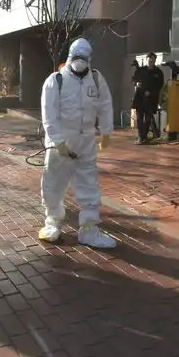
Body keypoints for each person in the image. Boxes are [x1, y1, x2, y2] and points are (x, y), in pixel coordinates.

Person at [39, 38, 118, 249]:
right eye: (77, 57)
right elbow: (49, 115)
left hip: (86, 143)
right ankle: (53, 223)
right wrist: (58, 141)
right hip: (61, 144)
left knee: (89, 185)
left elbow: (105, 104)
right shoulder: (55, 81)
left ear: (90, 59)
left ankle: (89, 229)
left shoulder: (96, 78)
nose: (80, 62)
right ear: (70, 57)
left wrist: (106, 131)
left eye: (84, 58)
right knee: (53, 185)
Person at [131, 51, 165, 144]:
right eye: (149, 60)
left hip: (151, 99)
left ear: (155, 61)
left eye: (152, 60)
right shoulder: (141, 70)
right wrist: (136, 83)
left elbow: (159, 85)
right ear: (146, 60)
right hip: (140, 98)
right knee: (139, 118)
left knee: (148, 118)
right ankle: (141, 137)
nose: (151, 62)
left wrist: (150, 92)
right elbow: (133, 79)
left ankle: (144, 136)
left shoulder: (158, 73)